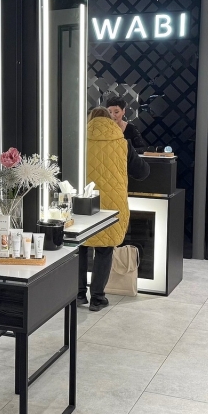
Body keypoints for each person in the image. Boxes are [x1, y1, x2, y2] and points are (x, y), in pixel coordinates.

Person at [78, 107, 149, 311]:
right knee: (105, 247)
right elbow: (142, 172)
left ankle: (78, 294)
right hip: (112, 203)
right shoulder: (123, 143)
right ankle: (97, 298)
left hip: (84, 200)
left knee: (80, 246)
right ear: (110, 121)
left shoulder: (80, 142)